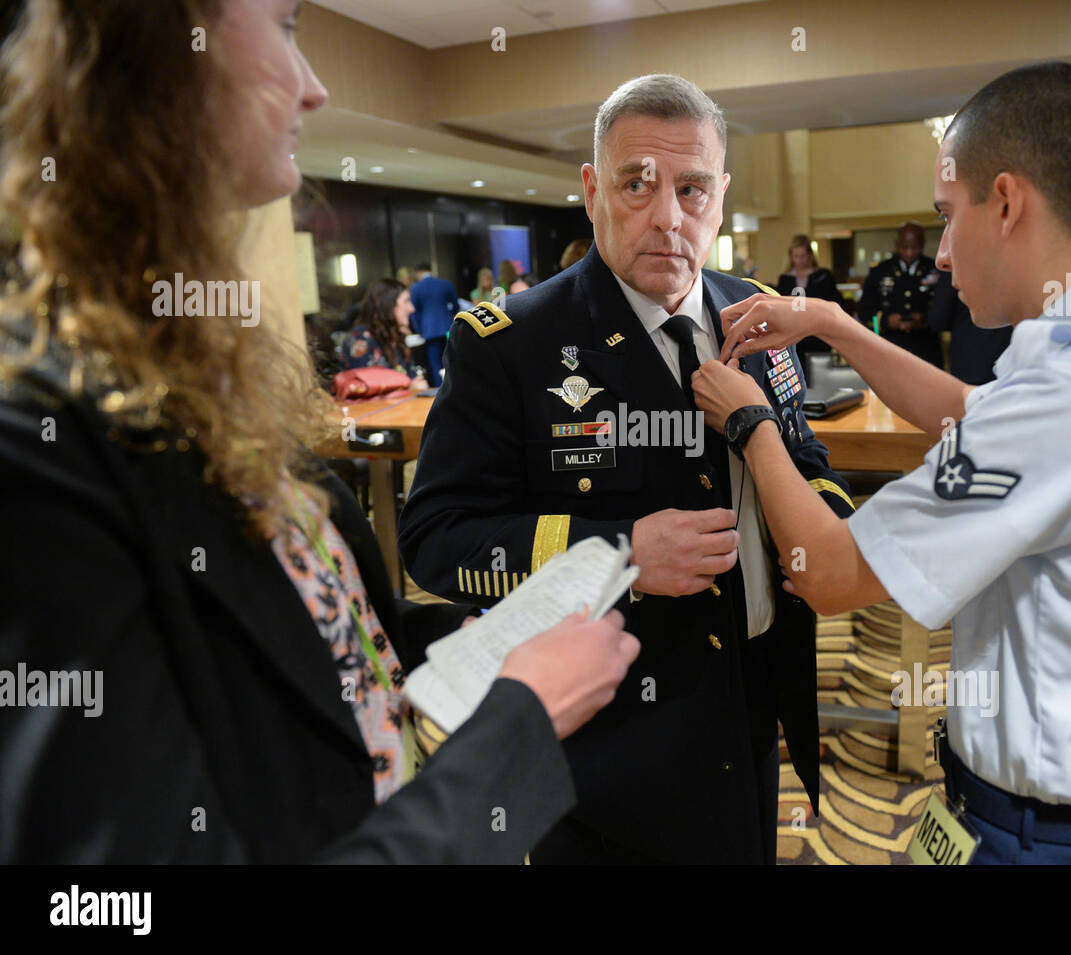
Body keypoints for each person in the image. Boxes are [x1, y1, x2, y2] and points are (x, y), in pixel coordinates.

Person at [0, 0, 638, 864]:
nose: (315, 87)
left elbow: (312, 637)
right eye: (289, 27)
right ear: (158, 49)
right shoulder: (34, 432)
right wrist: (522, 720)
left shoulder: (189, 359)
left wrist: (485, 637)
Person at [694, 61, 1071, 864]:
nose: (944, 253)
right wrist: (834, 325)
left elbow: (831, 570)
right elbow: (970, 415)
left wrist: (752, 420)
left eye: (949, 217)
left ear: (1009, 202)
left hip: (1058, 839)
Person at [398, 73, 855, 865]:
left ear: (720, 196)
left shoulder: (754, 311)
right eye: (636, 184)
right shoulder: (512, 343)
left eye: (691, 188)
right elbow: (436, 539)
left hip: (752, 697)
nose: (666, 217)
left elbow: (806, 454)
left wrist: (822, 528)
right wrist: (622, 553)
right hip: (607, 742)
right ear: (592, 189)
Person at [860, 222, 944, 367]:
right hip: (889, 348)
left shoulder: (935, 270)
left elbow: (944, 309)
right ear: (897, 244)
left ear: (922, 245)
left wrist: (924, 320)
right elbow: (865, 311)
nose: (909, 252)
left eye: (915, 247)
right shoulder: (880, 271)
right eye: (905, 247)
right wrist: (885, 321)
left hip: (925, 349)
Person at [337, 277, 429, 390]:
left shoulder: (393, 335)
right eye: (406, 301)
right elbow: (363, 389)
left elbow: (409, 375)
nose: (412, 308)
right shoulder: (361, 340)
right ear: (388, 305)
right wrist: (409, 388)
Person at [926, 268, 1011, 385]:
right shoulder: (1017, 262)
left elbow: (938, 320)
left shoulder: (956, 266)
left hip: (970, 362)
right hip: (1012, 361)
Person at [774, 233, 844, 362]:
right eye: (796, 257)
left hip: (818, 331)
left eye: (803, 256)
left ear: (810, 256)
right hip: (794, 332)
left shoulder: (822, 275)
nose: (799, 260)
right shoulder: (785, 279)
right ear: (791, 257)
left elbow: (833, 300)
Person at [407, 262, 458, 386]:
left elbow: (414, 313)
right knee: (451, 359)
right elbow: (455, 305)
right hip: (447, 327)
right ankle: (455, 387)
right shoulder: (445, 284)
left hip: (429, 330)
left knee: (434, 363)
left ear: (418, 273)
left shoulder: (415, 288)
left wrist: (420, 330)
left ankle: (439, 389)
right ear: (431, 270)